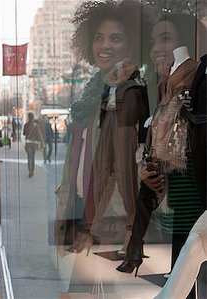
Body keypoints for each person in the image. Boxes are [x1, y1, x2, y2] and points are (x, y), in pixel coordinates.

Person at [116, 17, 206, 299]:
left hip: (188, 176)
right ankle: (135, 255)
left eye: (165, 39)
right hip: (173, 173)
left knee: (189, 247)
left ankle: (136, 256)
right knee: (187, 250)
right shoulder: (167, 77)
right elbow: (158, 128)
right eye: (154, 41)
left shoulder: (192, 74)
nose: (156, 47)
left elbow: (179, 129)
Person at [55, 0, 148, 255]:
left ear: (130, 44)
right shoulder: (95, 92)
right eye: (99, 38)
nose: (105, 45)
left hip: (106, 225)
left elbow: (126, 169)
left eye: (115, 39)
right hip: (83, 213)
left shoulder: (127, 92)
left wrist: (97, 227)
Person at [23, 112, 44, 177]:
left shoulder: (26, 125)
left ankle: (30, 171)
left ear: (28, 117)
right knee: (33, 157)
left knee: (29, 158)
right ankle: (32, 171)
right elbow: (39, 135)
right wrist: (42, 143)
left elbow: (24, 133)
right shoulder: (36, 125)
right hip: (34, 143)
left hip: (28, 143)